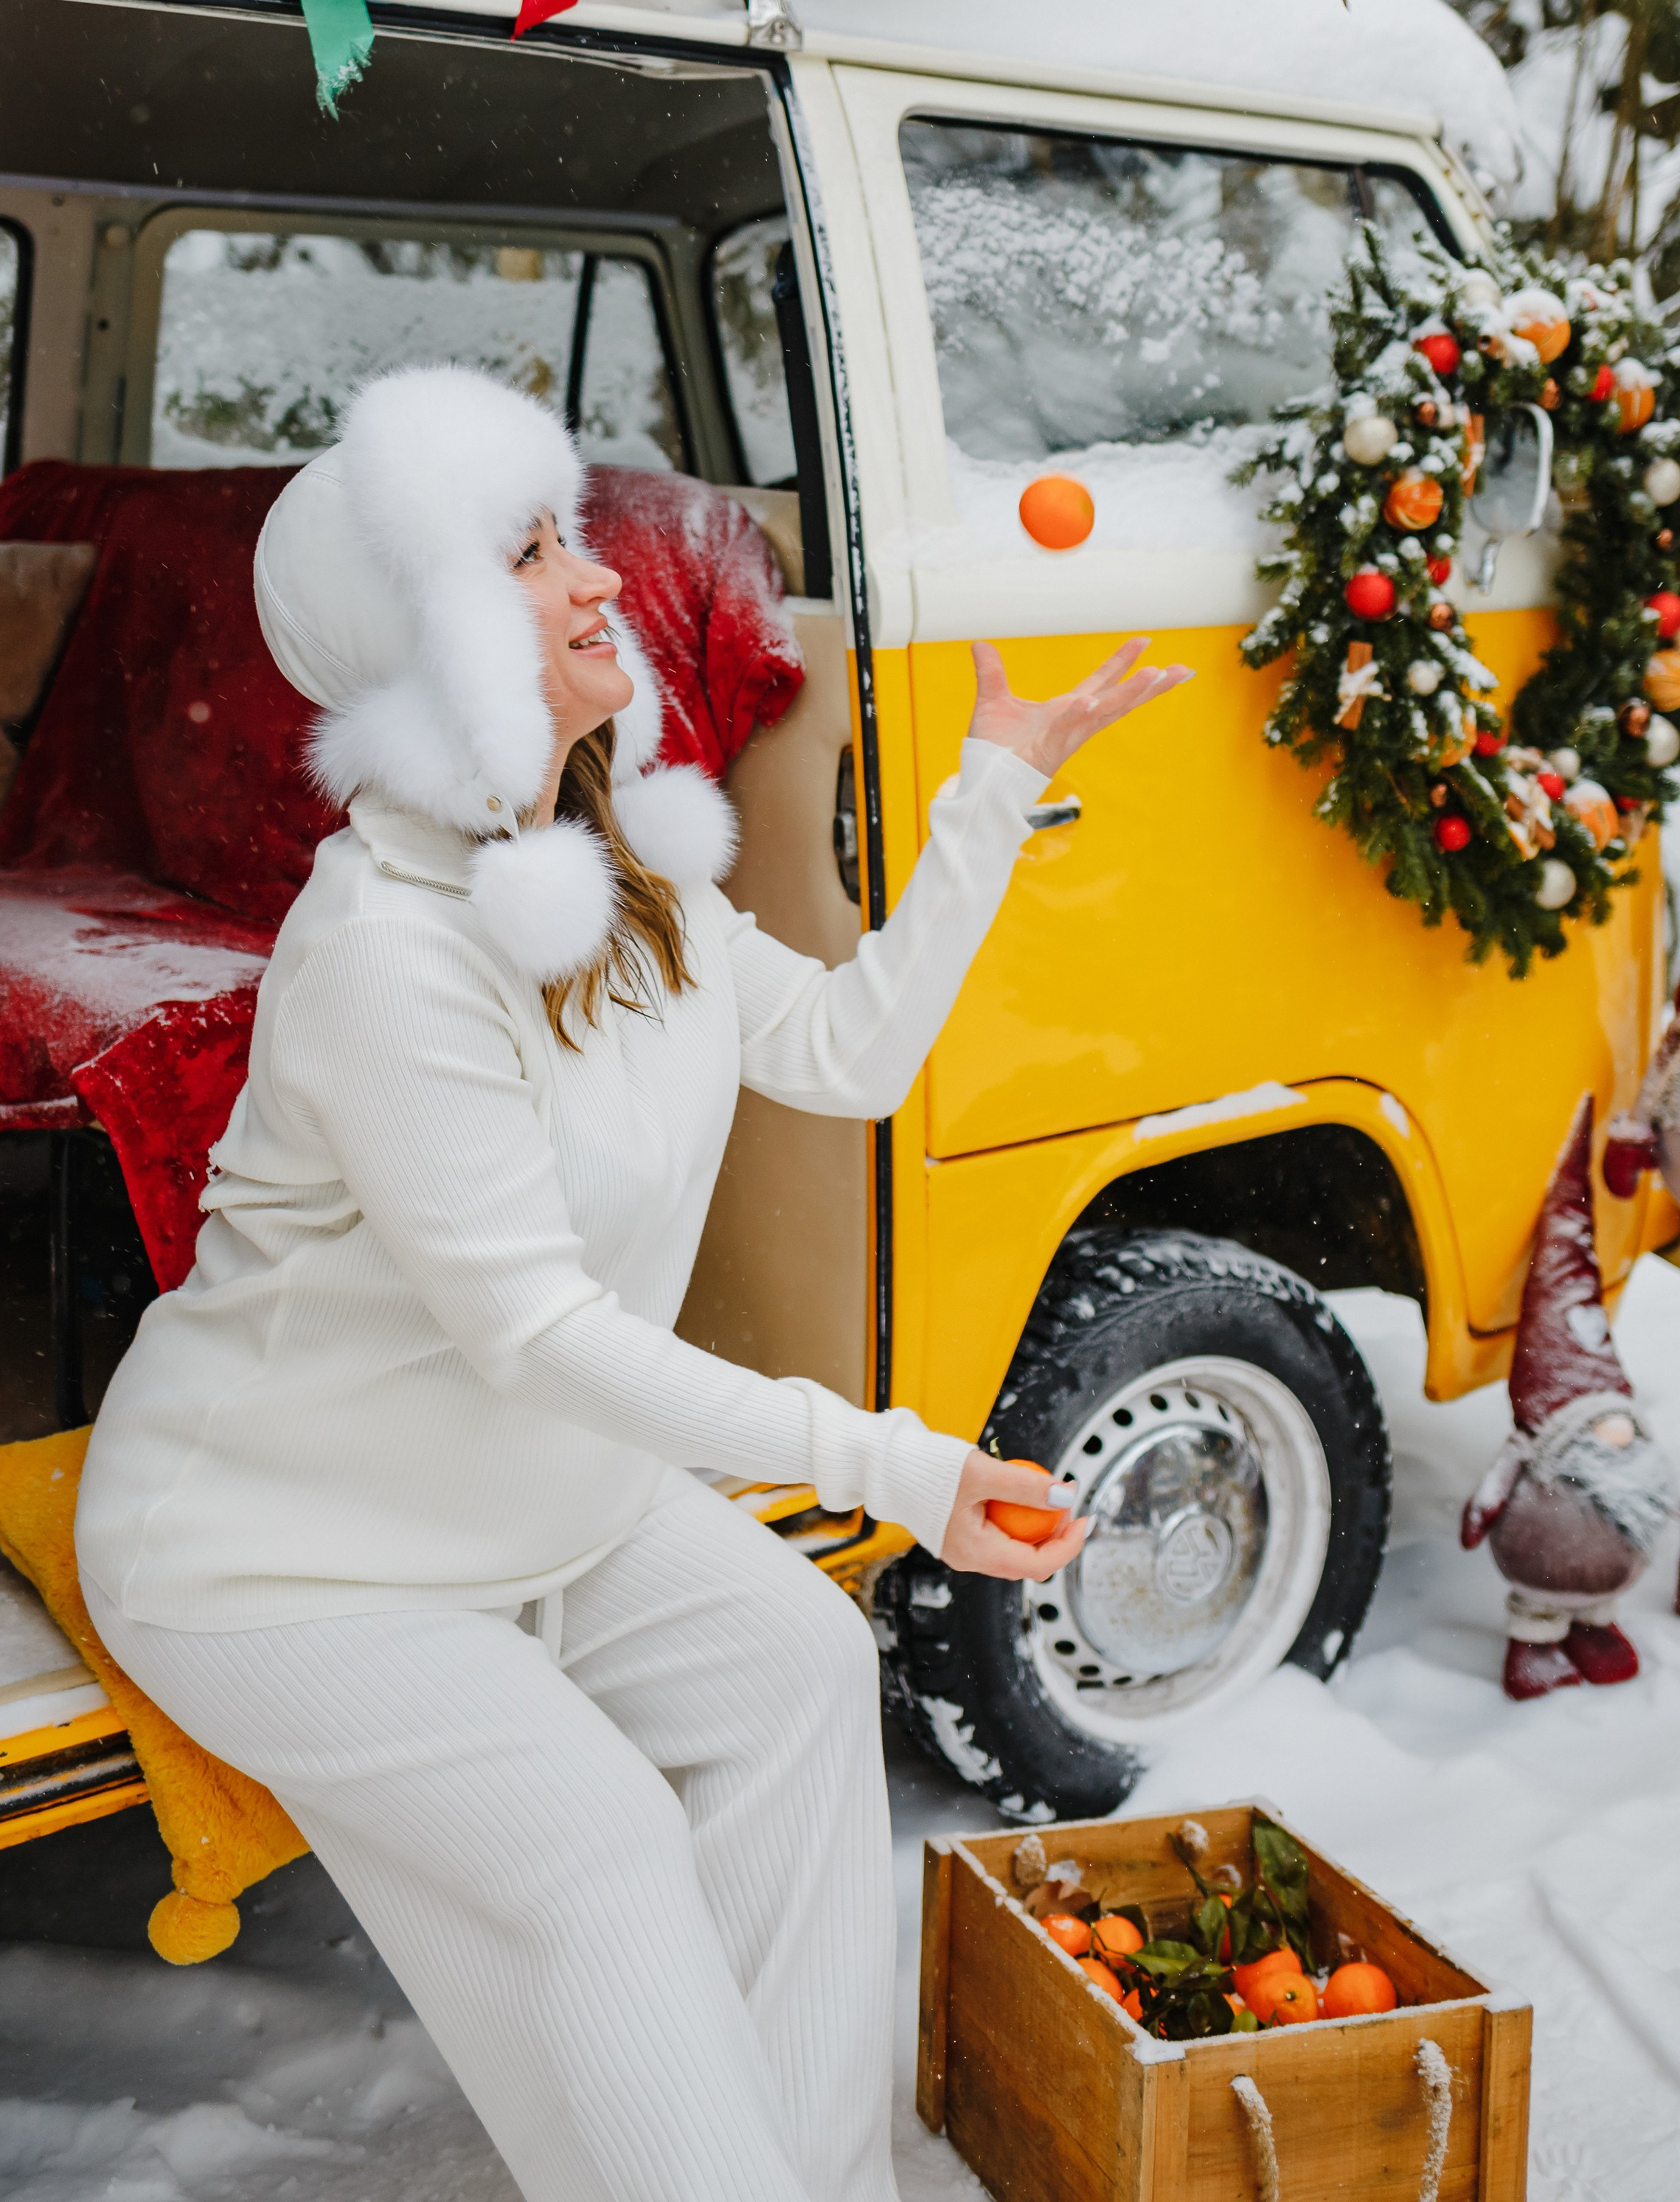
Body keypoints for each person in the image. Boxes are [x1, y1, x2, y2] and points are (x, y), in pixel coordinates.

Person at [75, 365, 1190, 2202]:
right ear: (433, 646)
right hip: (278, 1549)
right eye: (526, 556)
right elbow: (536, 1331)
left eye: (566, 535)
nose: (595, 580)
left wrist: (997, 784)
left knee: (804, 1674)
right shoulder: (388, 951)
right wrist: (894, 1466)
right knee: (592, 1845)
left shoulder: (624, 869)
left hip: (527, 1494)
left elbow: (846, 1052)